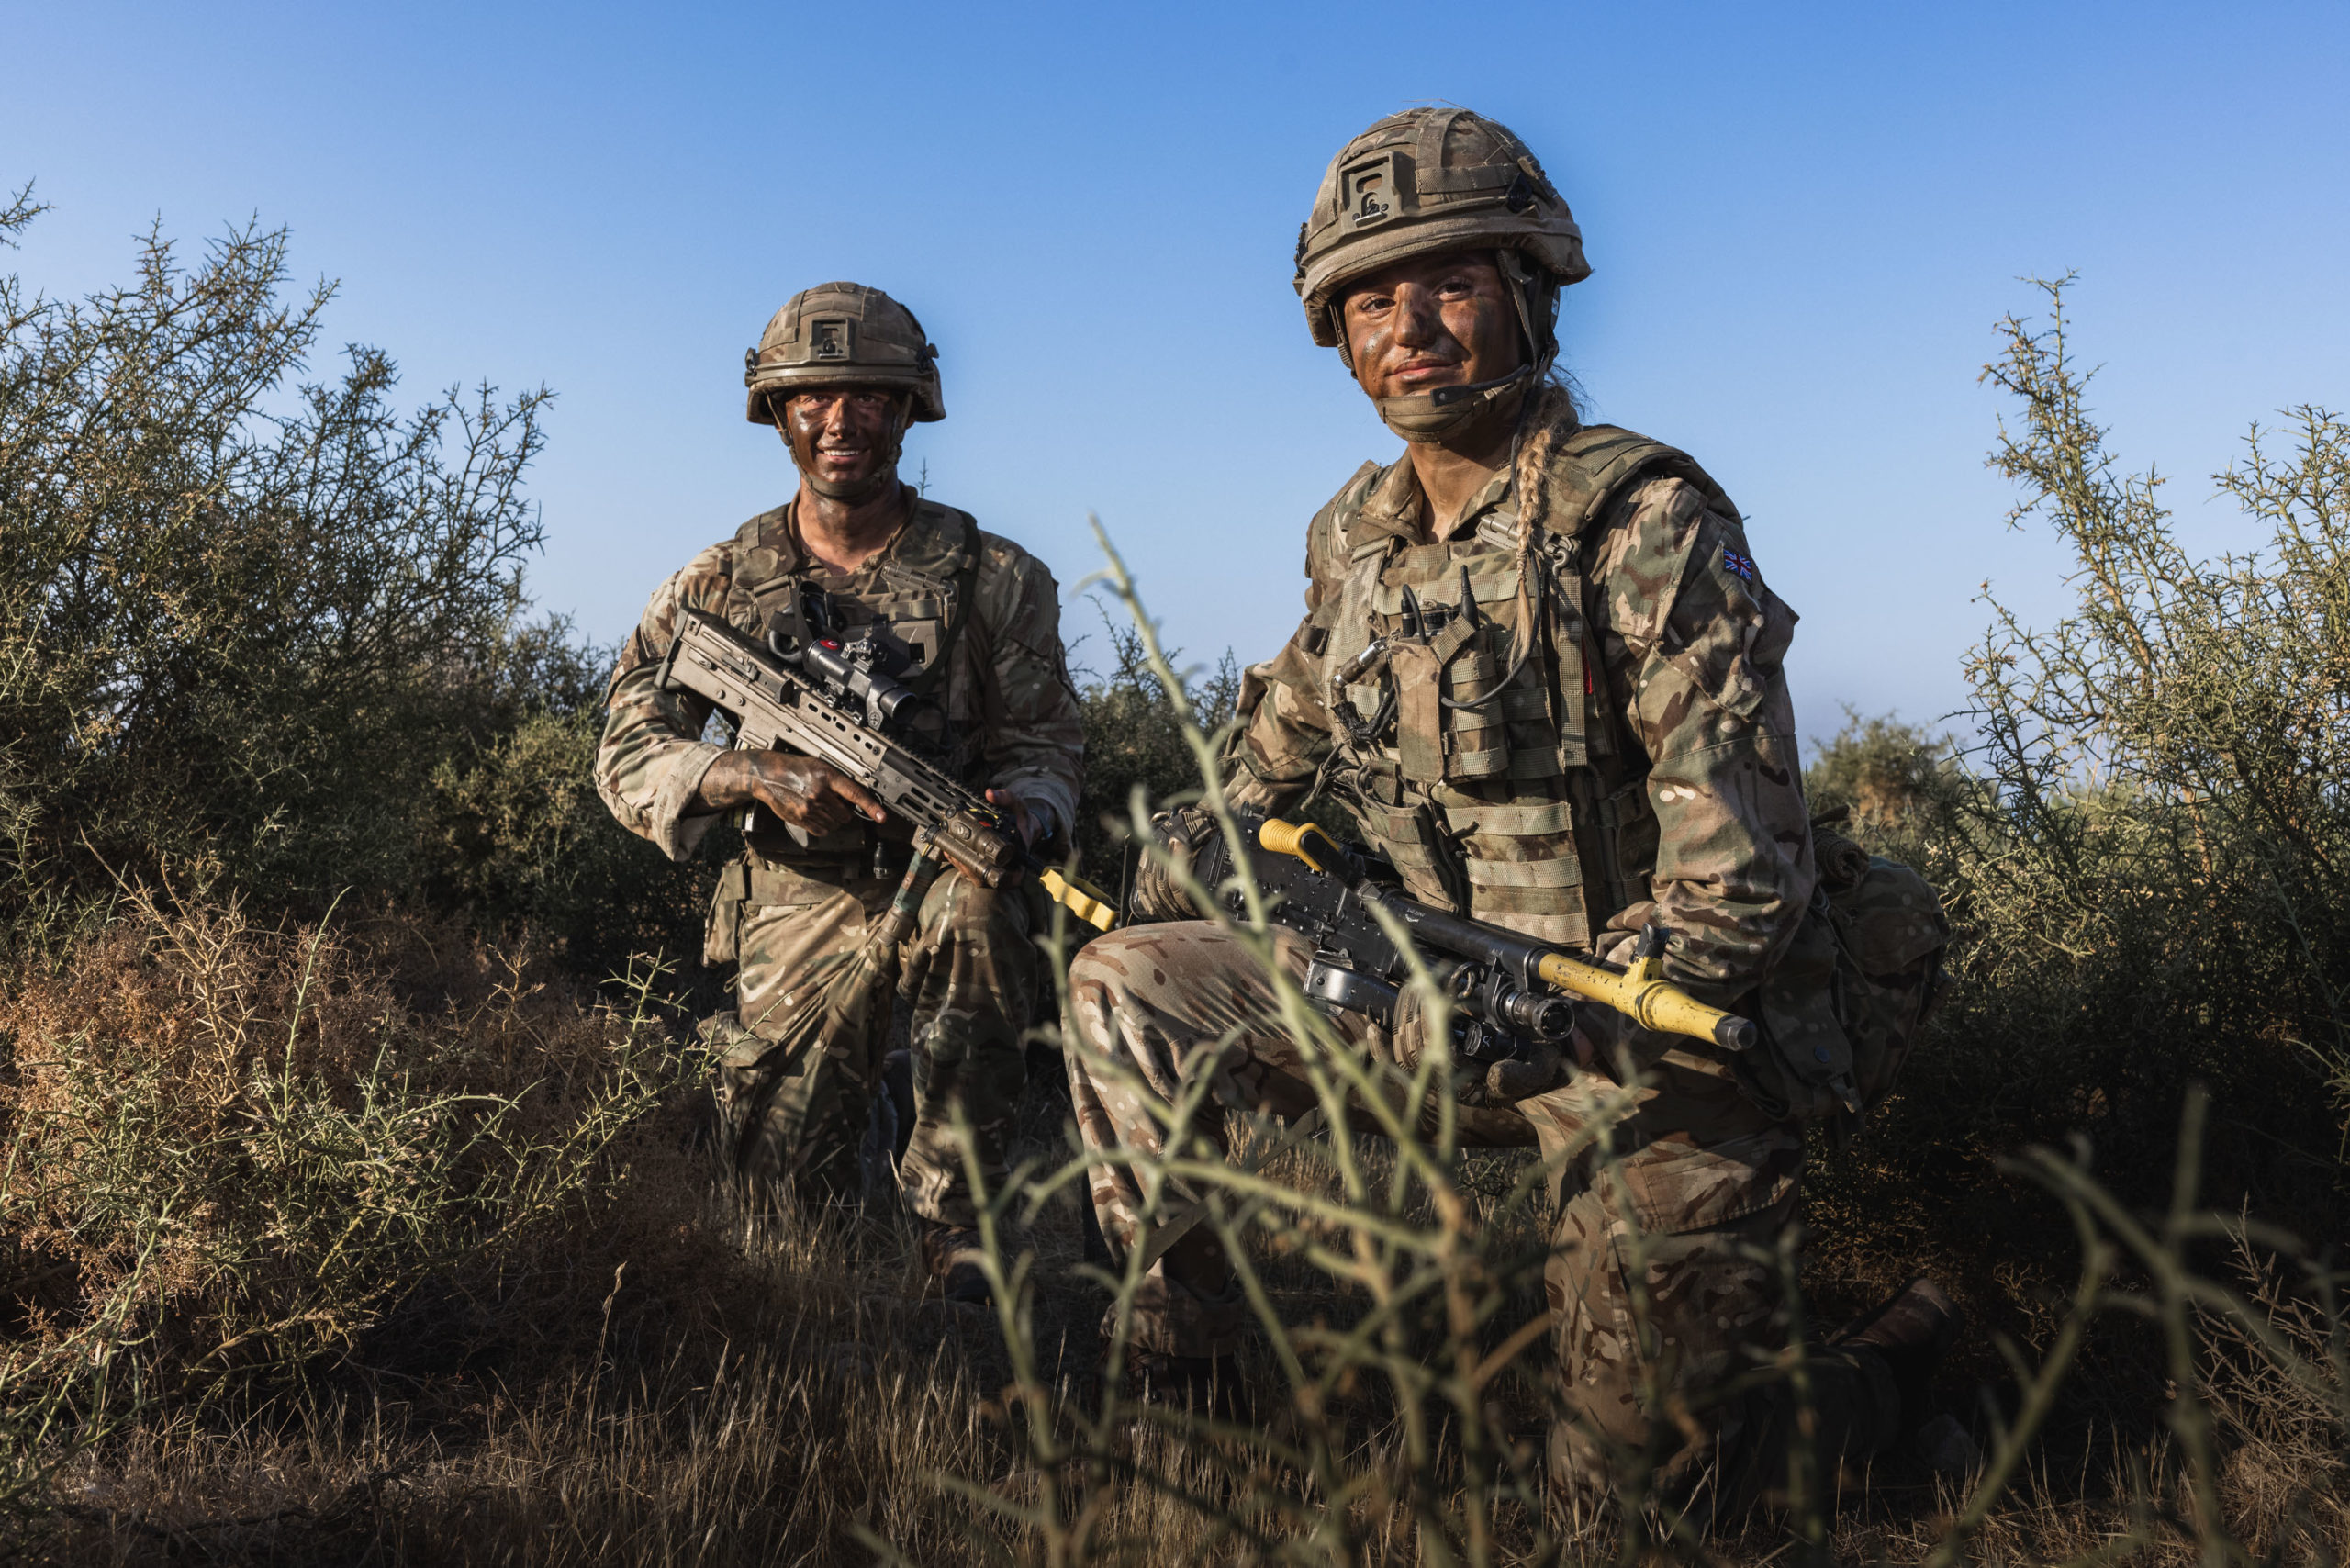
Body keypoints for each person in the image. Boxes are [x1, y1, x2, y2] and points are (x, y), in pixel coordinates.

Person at [1062, 109, 1955, 1511]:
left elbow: (1736, 881)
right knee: (1124, 981)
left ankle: (1897, 1370)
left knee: (1650, 1506)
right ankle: (1205, 1387)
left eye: (1451, 283)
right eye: (1370, 297)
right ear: (1335, 334)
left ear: (1529, 290)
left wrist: (1570, 1009)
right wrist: (1194, 851)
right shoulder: (1353, 541)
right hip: (1415, 998)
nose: (1408, 324)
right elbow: (1264, 766)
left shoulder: (1635, 518)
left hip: (1622, 1039)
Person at [598, 282, 1083, 1300]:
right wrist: (748, 774)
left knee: (981, 901)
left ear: (910, 407)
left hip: (941, 871)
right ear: (776, 411)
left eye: (870, 395)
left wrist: (1027, 809)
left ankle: (955, 1232)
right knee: (777, 1209)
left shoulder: (994, 576)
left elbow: (1043, 750)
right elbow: (628, 748)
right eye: (814, 397)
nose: (841, 421)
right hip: (793, 895)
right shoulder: (719, 580)